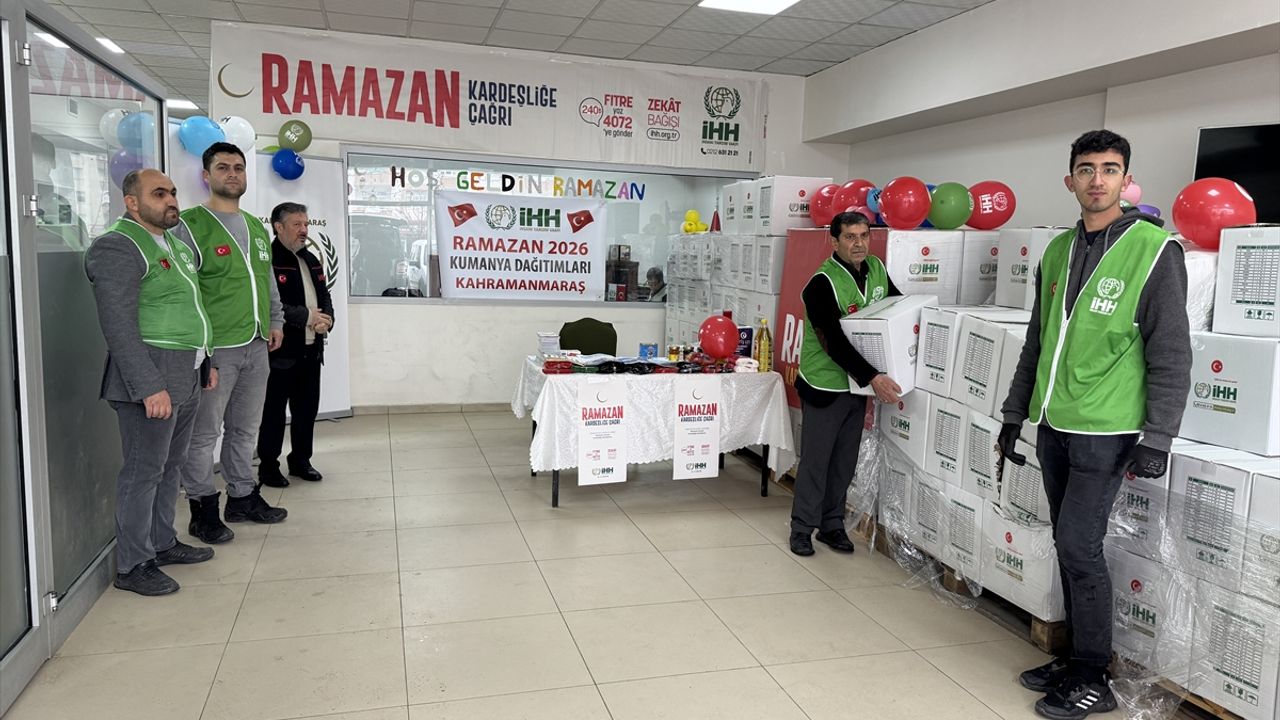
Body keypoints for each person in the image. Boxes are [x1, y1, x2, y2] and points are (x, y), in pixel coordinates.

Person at [998, 129, 1190, 720]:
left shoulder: (1154, 250)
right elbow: (1038, 341)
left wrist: (1158, 436)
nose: (1097, 179)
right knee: (1066, 543)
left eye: (1109, 169)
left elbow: (1171, 352)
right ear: (1071, 180)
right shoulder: (1057, 251)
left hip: (1106, 431)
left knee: (1079, 546)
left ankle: (1093, 676)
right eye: (1086, 169)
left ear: (1126, 180)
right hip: (1054, 423)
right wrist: (1013, 413)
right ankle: (1075, 655)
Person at [85, 169, 217, 596]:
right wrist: (147, 386)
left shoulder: (174, 244)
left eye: (173, 192)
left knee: (170, 466)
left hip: (187, 371)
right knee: (143, 472)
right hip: (152, 376)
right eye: (159, 194)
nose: (171, 200)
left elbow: (192, 307)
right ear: (132, 202)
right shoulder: (117, 246)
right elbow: (118, 326)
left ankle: (162, 542)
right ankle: (133, 564)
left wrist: (207, 360)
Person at [176, 141, 288, 543]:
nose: (232, 174)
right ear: (206, 176)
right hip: (216, 348)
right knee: (203, 434)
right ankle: (202, 508)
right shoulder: (189, 225)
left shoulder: (256, 226)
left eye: (238, 167)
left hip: (257, 344)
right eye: (223, 167)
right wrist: (200, 347)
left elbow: (267, 280)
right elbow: (184, 290)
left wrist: (276, 320)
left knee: (244, 429)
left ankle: (242, 497)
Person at [789, 211, 902, 557]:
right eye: (850, 237)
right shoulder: (821, 283)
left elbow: (896, 308)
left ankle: (832, 524)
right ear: (834, 241)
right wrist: (873, 377)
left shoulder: (877, 269)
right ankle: (801, 528)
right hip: (825, 384)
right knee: (816, 461)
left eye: (864, 236)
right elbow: (833, 341)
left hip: (857, 386)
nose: (859, 243)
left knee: (844, 461)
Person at [257, 202, 333, 487]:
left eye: (306, 224)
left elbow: (324, 295)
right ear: (278, 227)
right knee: (274, 413)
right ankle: (268, 467)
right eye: (297, 224)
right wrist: (307, 317)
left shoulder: (310, 258)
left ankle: (301, 461)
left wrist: (327, 319)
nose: (304, 230)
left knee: (306, 410)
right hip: (281, 353)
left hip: (312, 350)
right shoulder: (268, 260)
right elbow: (269, 304)